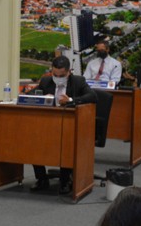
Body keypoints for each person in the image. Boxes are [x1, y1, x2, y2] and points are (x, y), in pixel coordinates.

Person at [31, 55, 114, 194]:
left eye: (61, 75)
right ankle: (41, 179)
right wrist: (40, 97)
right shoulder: (46, 81)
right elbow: (31, 94)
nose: (57, 78)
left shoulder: (78, 81)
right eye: (55, 75)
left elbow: (93, 96)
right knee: (34, 141)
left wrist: (70, 100)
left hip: (72, 126)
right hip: (48, 125)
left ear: (69, 72)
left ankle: (65, 181)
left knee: (67, 142)